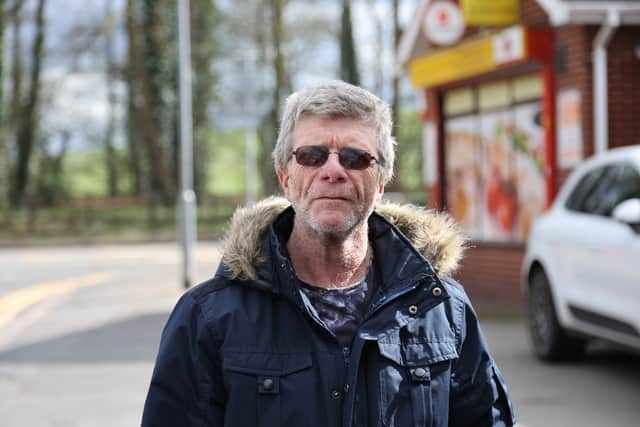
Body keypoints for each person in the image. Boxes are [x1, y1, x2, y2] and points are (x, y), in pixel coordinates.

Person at [142, 80, 516, 426]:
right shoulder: (207, 317)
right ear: (285, 177)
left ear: (382, 180)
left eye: (355, 158)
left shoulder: (442, 308)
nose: (333, 170)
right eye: (311, 155)